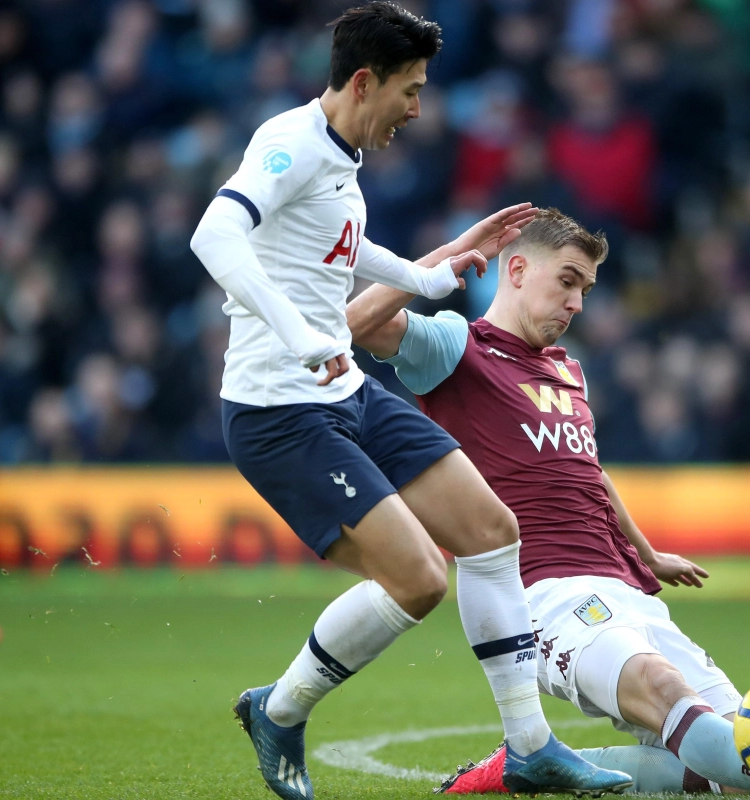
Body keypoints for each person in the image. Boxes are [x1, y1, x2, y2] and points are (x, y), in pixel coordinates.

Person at [188, 6, 631, 799]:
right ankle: (279, 710)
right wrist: (299, 335)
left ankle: (530, 747)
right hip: (280, 415)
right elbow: (213, 237)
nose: (419, 109)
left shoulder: (338, 159)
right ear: (366, 82)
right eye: (412, 89)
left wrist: (440, 272)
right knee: (422, 579)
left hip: (346, 395)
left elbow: (343, 252)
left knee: (493, 533)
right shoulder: (287, 145)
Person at [346, 209, 750, 797]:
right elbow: (353, 326)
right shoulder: (457, 347)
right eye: (566, 281)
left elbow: (586, 472)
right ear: (515, 269)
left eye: (586, 290)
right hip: (541, 596)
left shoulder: (568, 371)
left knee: (733, 756)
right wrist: (446, 256)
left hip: (625, 589)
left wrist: (646, 552)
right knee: (666, 692)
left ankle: (519, 768)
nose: (578, 303)